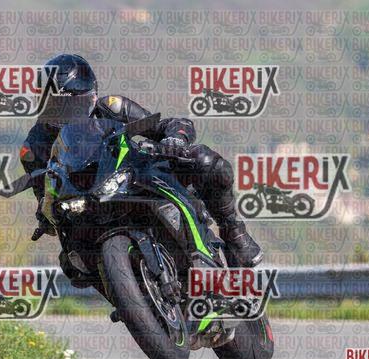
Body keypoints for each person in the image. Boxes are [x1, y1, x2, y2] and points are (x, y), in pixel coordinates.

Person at [20, 54, 262, 268]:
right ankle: (124, 289)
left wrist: (174, 139)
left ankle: (233, 231)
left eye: (70, 104)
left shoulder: (112, 107)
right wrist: (45, 211)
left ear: (91, 97)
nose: (64, 112)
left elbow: (166, 125)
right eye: (55, 105)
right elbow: (44, 191)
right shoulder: (34, 145)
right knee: (71, 259)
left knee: (205, 161)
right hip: (86, 202)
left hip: (131, 174)